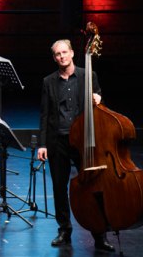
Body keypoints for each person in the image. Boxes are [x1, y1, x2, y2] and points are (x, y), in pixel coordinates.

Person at [37, 39, 114, 252]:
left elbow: (99, 106)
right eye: (57, 54)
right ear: (54, 58)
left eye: (65, 52)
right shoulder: (48, 81)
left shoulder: (88, 75)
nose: (62, 57)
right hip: (57, 140)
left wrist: (99, 99)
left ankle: (99, 235)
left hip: (83, 141)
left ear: (71, 53)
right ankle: (64, 229)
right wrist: (42, 144)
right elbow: (44, 114)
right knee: (59, 187)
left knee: (92, 186)